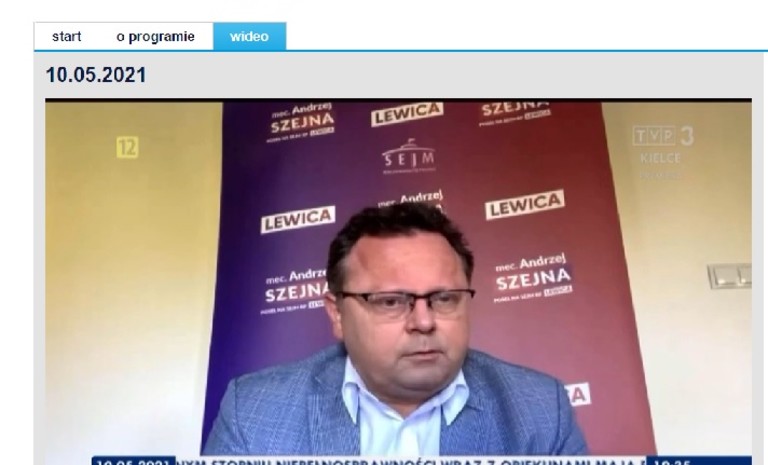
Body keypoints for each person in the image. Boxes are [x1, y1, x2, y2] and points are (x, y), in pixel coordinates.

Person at [204, 202, 588, 456]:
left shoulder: (539, 411)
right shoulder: (255, 413)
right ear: (337, 313)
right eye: (390, 302)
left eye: (444, 298)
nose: (424, 322)